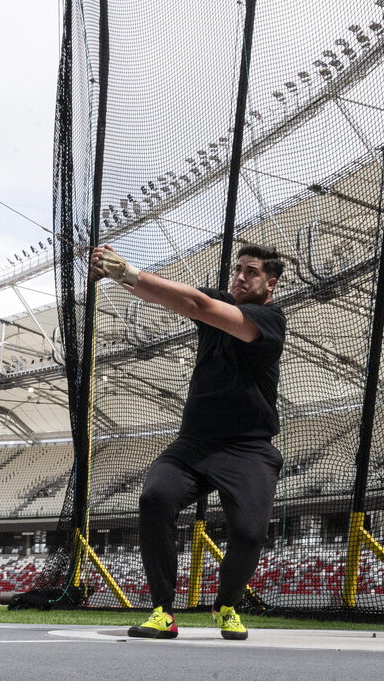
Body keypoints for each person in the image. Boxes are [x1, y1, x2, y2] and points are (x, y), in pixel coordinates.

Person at [90, 242, 286, 641]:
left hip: (248, 448)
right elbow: (174, 299)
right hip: (194, 444)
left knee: (249, 534)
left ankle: (226, 604)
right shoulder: (219, 303)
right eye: (238, 270)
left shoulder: (270, 320)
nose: (240, 277)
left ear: (271, 284)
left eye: (251, 272)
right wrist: (117, 275)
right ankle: (163, 611)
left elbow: (197, 305)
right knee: (155, 498)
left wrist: (127, 271)